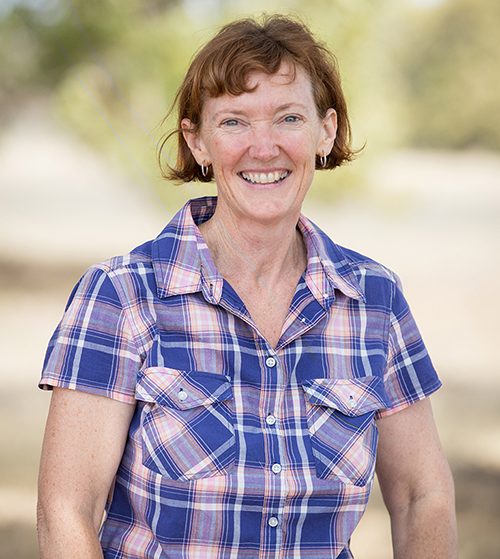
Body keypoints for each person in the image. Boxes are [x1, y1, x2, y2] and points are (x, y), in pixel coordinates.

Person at [37, 14, 458, 559]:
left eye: (288, 117)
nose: (264, 148)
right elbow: (65, 513)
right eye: (234, 122)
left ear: (324, 132)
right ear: (199, 141)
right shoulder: (120, 296)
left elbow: (422, 496)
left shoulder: (374, 301)